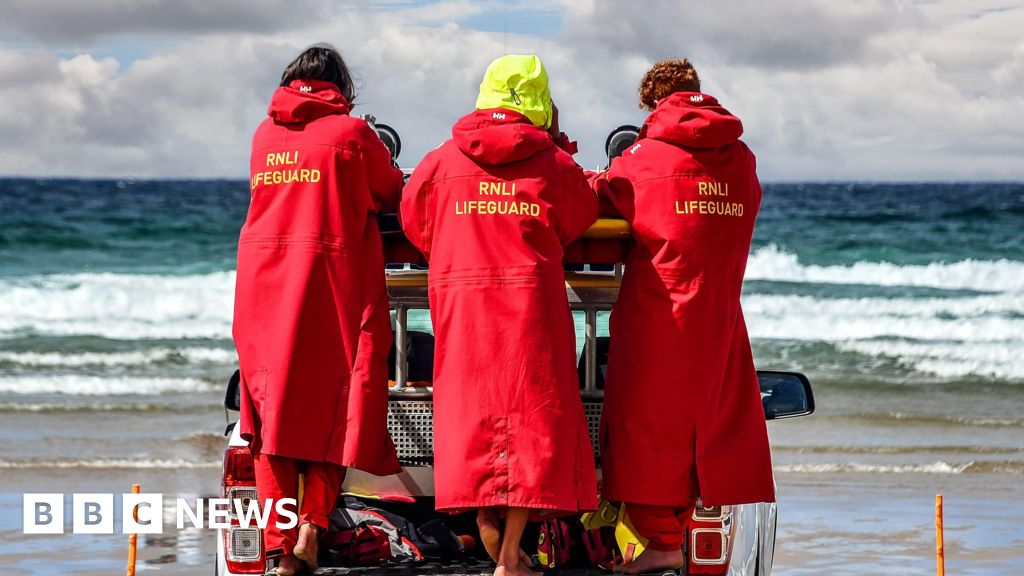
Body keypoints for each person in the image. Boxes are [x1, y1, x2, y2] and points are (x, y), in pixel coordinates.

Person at [401, 54, 599, 576]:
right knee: (531, 431)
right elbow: (579, 217)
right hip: (530, 312)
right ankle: (510, 555)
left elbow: (414, 220)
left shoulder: (441, 160)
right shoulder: (556, 166)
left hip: (463, 311)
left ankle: (489, 532)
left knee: (475, 426)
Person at [591, 59, 774, 573]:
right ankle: (673, 541)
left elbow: (603, 194)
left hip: (659, 309)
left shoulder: (643, 156)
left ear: (653, 104)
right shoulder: (741, 158)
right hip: (719, 314)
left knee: (647, 427)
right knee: (707, 431)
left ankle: (663, 543)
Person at [233, 44, 403, 575]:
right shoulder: (353, 136)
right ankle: (312, 525)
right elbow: (391, 189)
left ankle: (280, 546)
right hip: (329, 282)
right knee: (332, 407)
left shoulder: (264, 135)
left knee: (271, 419)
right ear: (342, 90)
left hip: (262, 286)